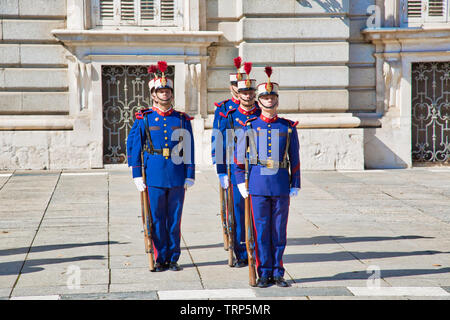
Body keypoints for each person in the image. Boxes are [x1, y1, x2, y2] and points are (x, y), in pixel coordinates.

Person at [234, 66, 301, 288]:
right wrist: (240, 181)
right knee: (261, 231)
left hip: (281, 184)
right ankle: (263, 272)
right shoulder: (250, 126)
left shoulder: (288, 127)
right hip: (258, 185)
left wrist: (295, 183)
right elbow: (238, 159)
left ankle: (278, 272)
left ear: (277, 100)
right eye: (265, 97)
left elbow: (295, 157)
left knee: (279, 231)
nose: (269, 100)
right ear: (259, 101)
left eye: (272, 97)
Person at [128, 61, 195, 272]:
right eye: (160, 91)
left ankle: (173, 257)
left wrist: (190, 173)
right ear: (153, 94)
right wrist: (137, 174)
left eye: (167, 91)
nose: (164, 94)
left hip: (176, 174)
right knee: (156, 218)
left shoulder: (182, 119)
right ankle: (160, 257)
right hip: (154, 173)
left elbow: (189, 147)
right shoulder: (144, 119)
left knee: (174, 220)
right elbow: (134, 146)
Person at [212, 60, 261, 268]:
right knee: (237, 212)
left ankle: (258, 250)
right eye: (236, 86)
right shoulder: (225, 110)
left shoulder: (259, 109)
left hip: (257, 167)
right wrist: (220, 169)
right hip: (235, 167)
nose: (241, 91)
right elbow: (219, 140)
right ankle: (240, 250)